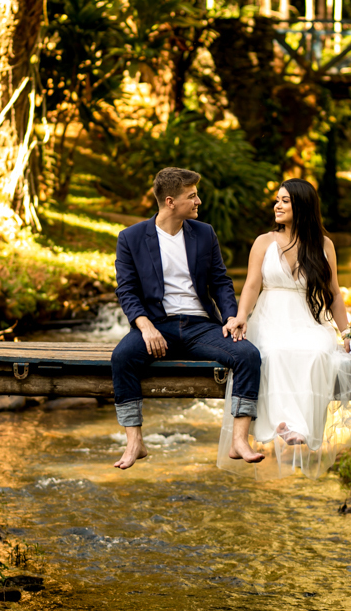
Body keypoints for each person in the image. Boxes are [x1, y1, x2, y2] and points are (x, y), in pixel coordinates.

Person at [217, 179, 351, 479]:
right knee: (273, 352)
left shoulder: (324, 245)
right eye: (277, 200)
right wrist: (241, 316)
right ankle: (282, 424)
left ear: (301, 205)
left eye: (285, 201)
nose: (277, 205)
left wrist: (346, 333)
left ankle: (300, 426)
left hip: (308, 319)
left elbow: (334, 293)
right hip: (270, 317)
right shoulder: (264, 241)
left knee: (317, 352)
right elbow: (251, 284)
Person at [111, 167, 265, 469]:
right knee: (122, 357)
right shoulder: (130, 238)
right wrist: (144, 326)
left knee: (248, 355)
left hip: (201, 327)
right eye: (192, 196)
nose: (199, 201)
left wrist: (231, 317)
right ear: (170, 202)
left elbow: (220, 282)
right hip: (157, 326)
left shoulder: (204, 233)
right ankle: (134, 442)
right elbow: (126, 290)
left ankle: (239, 440)